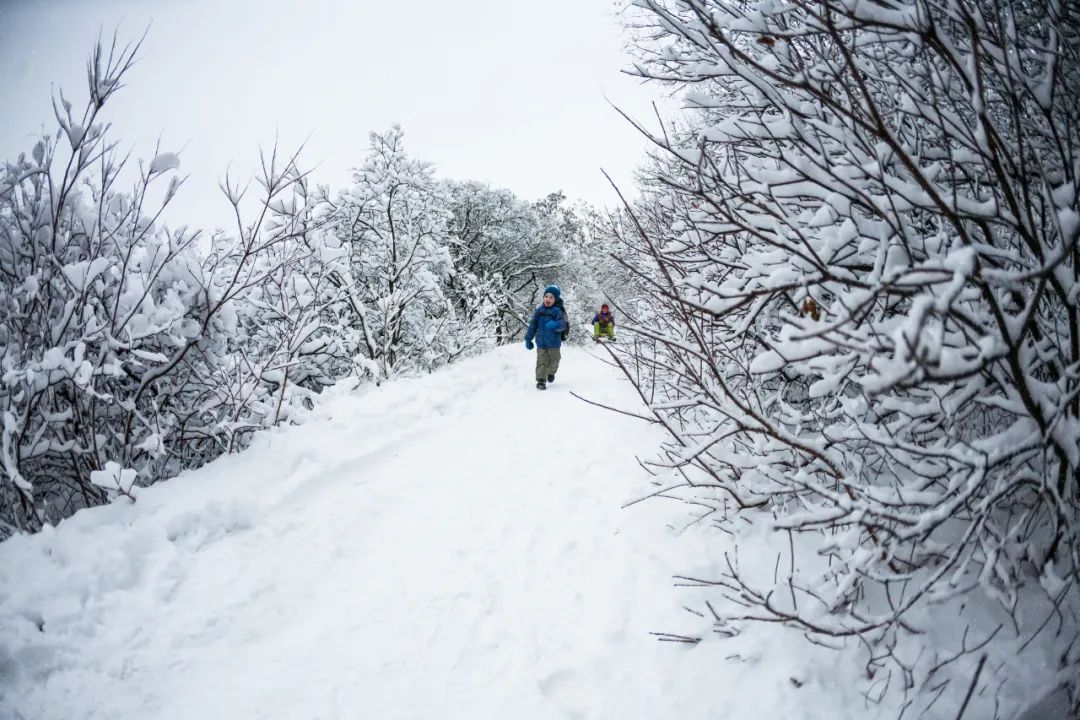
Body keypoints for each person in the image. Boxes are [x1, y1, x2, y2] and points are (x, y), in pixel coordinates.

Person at [524, 285, 566, 390]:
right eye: (546, 296)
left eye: (551, 297)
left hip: (554, 343)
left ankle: (551, 373)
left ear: (555, 299)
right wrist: (528, 339)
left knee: (555, 361)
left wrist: (555, 325)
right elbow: (533, 325)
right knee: (542, 362)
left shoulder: (557, 311)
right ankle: (541, 380)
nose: (548, 299)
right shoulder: (539, 311)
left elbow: (562, 324)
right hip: (541, 343)